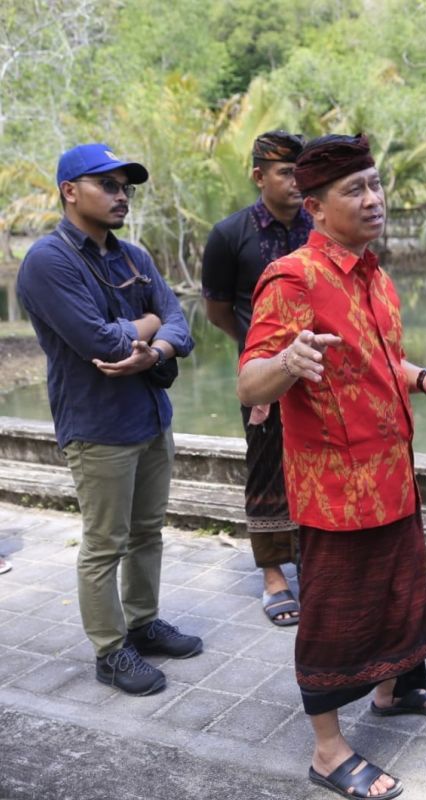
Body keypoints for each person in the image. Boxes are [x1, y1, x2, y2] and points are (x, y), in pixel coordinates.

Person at [236, 134, 426, 800]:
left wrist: (422, 376)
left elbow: (371, 364)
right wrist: (287, 364)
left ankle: (394, 694)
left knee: (401, 595)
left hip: (394, 475)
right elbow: (250, 383)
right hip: (337, 492)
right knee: (335, 618)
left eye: (375, 184)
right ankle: (328, 749)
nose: (373, 200)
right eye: (354, 190)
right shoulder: (292, 279)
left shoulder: (375, 276)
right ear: (314, 206)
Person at [17, 144, 201, 696]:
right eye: (108, 185)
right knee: (104, 543)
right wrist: (147, 323)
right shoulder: (49, 261)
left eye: (126, 187)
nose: (121, 196)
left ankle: (142, 624)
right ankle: (110, 651)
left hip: (149, 415)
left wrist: (156, 348)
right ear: (70, 191)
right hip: (97, 427)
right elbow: (99, 342)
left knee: (147, 531)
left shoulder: (134, 257)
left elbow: (180, 324)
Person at [201, 130, 312, 627]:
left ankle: (315, 563)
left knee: (318, 467)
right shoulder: (230, 234)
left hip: (320, 374)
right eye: (285, 172)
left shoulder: (321, 225)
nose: (295, 181)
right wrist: (254, 350)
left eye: (300, 172)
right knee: (266, 469)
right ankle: (273, 574)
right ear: (258, 176)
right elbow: (219, 309)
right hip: (264, 376)